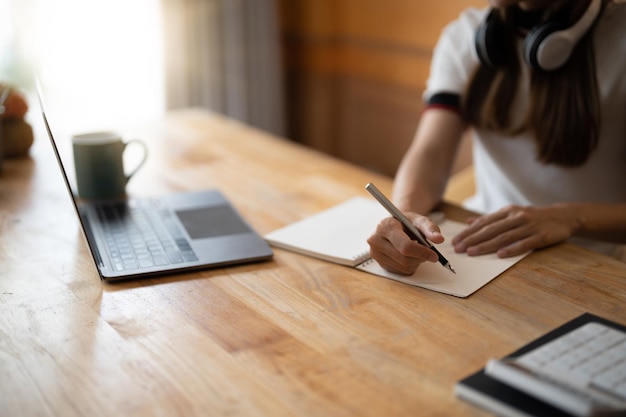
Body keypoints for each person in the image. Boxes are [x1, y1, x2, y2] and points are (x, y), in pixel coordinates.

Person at [367, 0, 626, 275]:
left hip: (593, 262)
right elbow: (430, 152)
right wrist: (405, 215)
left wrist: (572, 217)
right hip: (482, 248)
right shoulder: (465, 35)